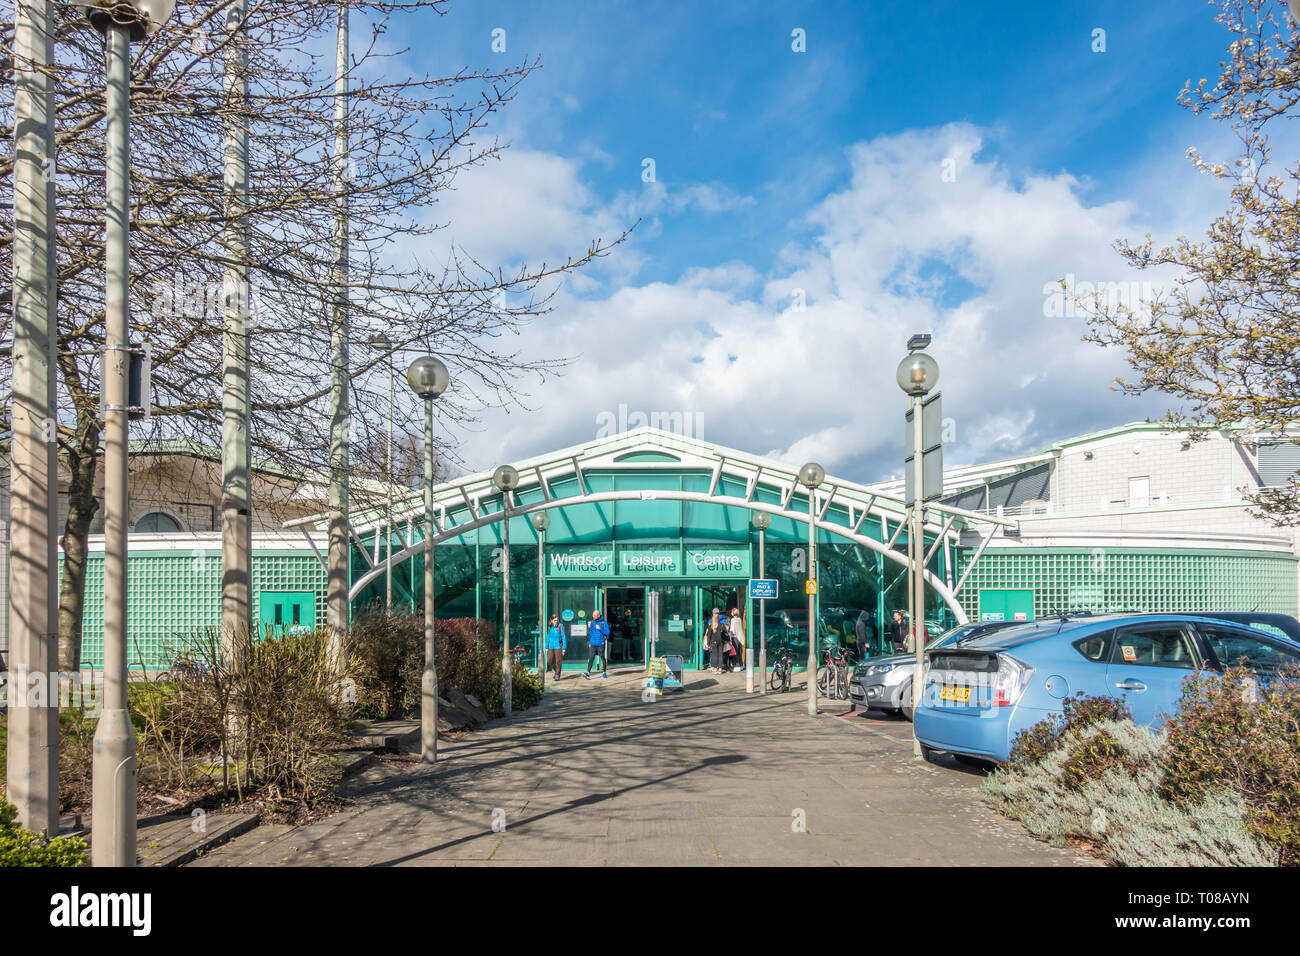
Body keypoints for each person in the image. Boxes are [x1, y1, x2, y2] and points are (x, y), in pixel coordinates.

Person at [584, 609, 611, 679]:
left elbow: (607, 633)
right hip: (593, 643)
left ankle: (604, 673)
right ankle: (588, 673)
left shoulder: (604, 623)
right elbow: (591, 633)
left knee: (602, 657)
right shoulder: (592, 623)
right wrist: (590, 642)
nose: (593, 616)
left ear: (598, 615)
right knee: (591, 657)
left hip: (600, 643)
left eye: (594, 615)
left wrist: (600, 629)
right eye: (593, 615)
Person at [704, 607, 729, 674]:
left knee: (714, 655)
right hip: (720, 641)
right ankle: (720, 668)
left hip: (713, 642)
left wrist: (708, 643)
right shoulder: (721, 624)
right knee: (720, 655)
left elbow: (709, 634)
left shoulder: (711, 625)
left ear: (713, 614)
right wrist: (727, 640)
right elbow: (725, 633)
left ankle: (715, 668)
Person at [544, 614, 565, 680]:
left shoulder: (560, 626)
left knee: (558, 661)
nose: (556, 621)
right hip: (550, 646)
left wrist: (564, 648)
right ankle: (557, 671)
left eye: (557, 620)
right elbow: (548, 637)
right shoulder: (550, 627)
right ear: (552, 620)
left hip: (558, 646)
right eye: (555, 620)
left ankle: (557, 675)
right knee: (549, 661)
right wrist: (546, 646)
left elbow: (564, 637)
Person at [727, 607, 745, 672]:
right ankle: (741, 665)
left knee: (735, 652)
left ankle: (737, 666)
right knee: (739, 652)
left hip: (735, 637)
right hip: (740, 637)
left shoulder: (733, 620)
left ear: (733, 613)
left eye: (732, 612)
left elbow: (732, 630)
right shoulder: (739, 619)